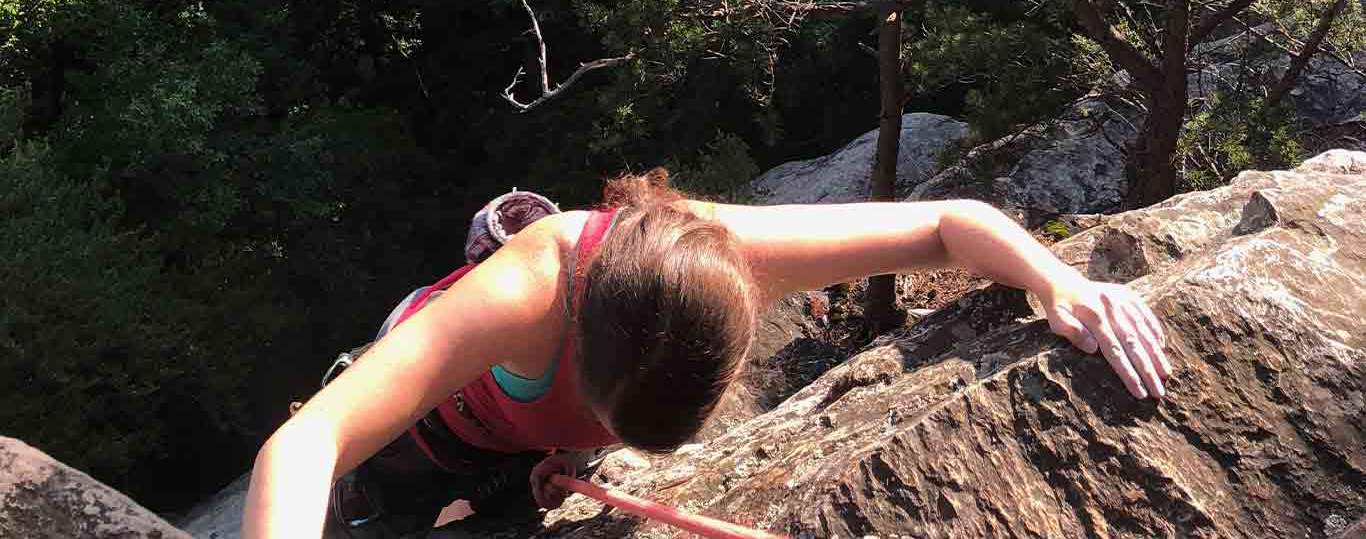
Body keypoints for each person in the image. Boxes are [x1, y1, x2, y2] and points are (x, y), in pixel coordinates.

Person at [242, 169, 1171, 538]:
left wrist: (1056, 280)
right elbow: (304, 447)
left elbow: (943, 223)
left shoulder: (720, 260)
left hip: (529, 453)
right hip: (427, 434)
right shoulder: (525, 294)